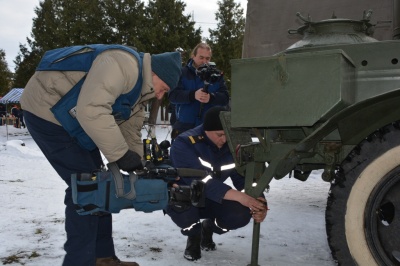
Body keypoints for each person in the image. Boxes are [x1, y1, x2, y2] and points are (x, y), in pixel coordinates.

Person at [20, 44, 182, 266]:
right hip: (46, 110)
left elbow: (130, 133)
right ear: (154, 73)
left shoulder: (139, 92)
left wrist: (142, 165)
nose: (161, 96)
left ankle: (102, 258)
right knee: (87, 189)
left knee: (103, 185)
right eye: (163, 89)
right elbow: (92, 109)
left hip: (73, 120)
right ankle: (80, 261)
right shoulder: (122, 64)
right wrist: (120, 155)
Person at [166, 106, 268, 261]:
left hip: (215, 198)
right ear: (206, 130)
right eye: (219, 135)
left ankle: (209, 228)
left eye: (227, 134)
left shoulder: (231, 145)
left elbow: (244, 177)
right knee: (184, 212)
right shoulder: (184, 143)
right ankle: (194, 236)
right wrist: (240, 197)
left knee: (240, 215)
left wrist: (258, 200)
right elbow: (199, 182)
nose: (224, 139)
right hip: (187, 195)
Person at [168, 43, 229, 141]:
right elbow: (173, 96)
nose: (204, 61)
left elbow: (225, 98)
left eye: (207, 58)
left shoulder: (216, 76)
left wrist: (211, 97)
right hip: (184, 127)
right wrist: (193, 95)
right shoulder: (181, 73)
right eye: (201, 57)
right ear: (193, 56)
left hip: (209, 129)